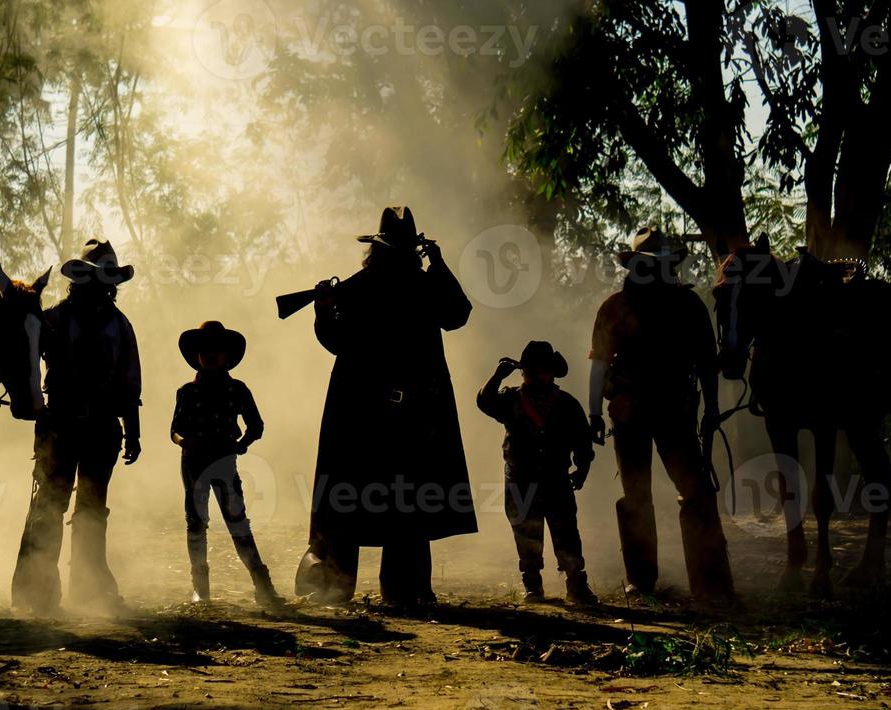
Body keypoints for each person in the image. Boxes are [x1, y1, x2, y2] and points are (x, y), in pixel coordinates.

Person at [295, 206, 476, 612]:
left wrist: (440, 265)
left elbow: (458, 314)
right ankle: (343, 589)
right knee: (364, 498)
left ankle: (400, 592)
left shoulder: (409, 286)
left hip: (390, 413)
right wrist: (323, 309)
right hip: (366, 412)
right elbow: (338, 340)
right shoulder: (365, 288)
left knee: (402, 500)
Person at [0, 238, 142, 615]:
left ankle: (89, 590)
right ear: (80, 280)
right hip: (60, 425)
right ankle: (34, 593)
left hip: (103, 427)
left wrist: (132, 429)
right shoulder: (52, 319)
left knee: (91, 508)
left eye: (106, 281)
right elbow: (13, 351)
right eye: (94, 278)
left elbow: (129, 383)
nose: (101, 287)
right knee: (49, 505)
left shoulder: (120, 326)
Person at [587, 227, 735, 606]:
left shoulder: (688, 307)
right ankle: (641, 582)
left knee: (696, 493)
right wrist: (592, 411)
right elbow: (600, 364)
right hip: (631, 412)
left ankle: (711, 586)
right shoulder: (615, 308)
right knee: (637, 496)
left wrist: (714, 409)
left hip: (675, 411)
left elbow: (706, 364)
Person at [170, 320, 286, 611]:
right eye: (205, 350)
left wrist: (240, 445)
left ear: (225, 355)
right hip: (193, 463)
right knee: (196, 523)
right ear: (197, 355)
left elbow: (256, 426)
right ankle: (201, 591)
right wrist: (185, 442)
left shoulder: (237, 389)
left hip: (223, 461)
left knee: (237, 523)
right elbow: (174, 429)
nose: (210, 355)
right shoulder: (186, 392)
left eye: (216, 350)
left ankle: (263, 587)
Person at [477, 341, 598, 605]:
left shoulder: (567, 404)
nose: (534, 375)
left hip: (556, 479)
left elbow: (582, 441)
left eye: (540, 370)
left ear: (551, 372)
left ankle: (576, 584)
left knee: (566, 533)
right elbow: (485, 403)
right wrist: (497, 376)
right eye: (530, 371)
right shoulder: (511, 399)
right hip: (519, 480)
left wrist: (582, 469)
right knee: (525, 533)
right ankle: (533, 586)